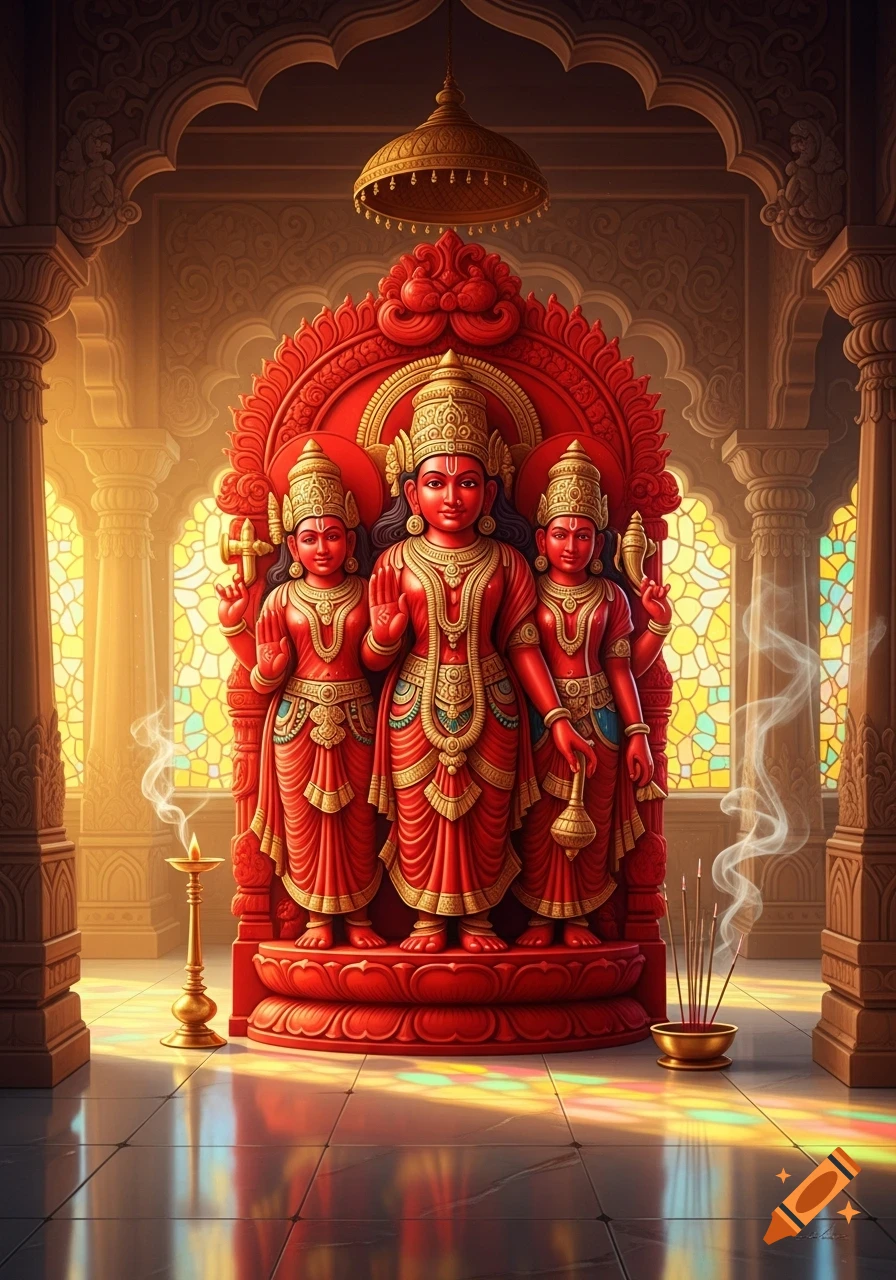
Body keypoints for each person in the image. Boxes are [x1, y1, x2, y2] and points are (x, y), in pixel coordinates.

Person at [365, 351, 596, 954]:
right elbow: (369, 660)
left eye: (467, 482)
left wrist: (557, 719)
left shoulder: (508, 562)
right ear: (411, 492)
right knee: (420, 815)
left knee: (485, 819)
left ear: (490, 490)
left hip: (493, 705)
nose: (452, 497)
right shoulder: (394, 562)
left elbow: (523, 646)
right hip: (413, 705)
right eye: (436, 483)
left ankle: (475, 922)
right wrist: (384, 638)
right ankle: (423, 919)